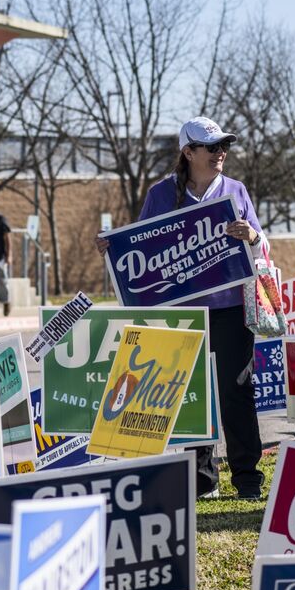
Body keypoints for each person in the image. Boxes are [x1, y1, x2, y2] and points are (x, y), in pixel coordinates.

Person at [98, 117, 267, 501]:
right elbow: (139, 245)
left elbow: (262, 246)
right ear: (188, 152)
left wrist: (252, 236)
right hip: (183, 313)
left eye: (224, 146)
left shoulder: (236, 191)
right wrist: (113, 248)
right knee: (192, 393)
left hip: (231, 308)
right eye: (211, 147)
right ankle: (201, 477)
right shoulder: (161, 194)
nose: (220, 152)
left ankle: (247, 477)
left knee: (236, 389)